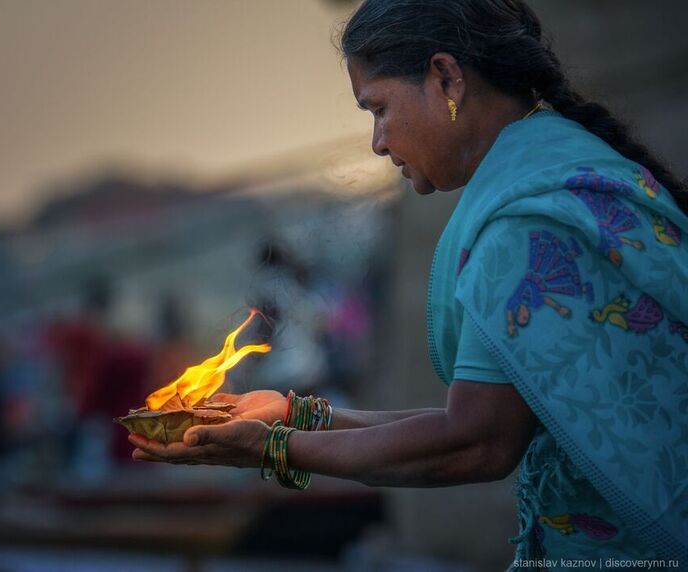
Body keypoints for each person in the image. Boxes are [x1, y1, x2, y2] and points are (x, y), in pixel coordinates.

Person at [128, 1, 688, 568]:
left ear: (445, 78)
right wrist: (295, 416)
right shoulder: (560, 172)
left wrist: (272, 449)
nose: (376, 142)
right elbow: (470, 425)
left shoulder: (528, 225)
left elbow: (477, 443)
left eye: (378, 109)